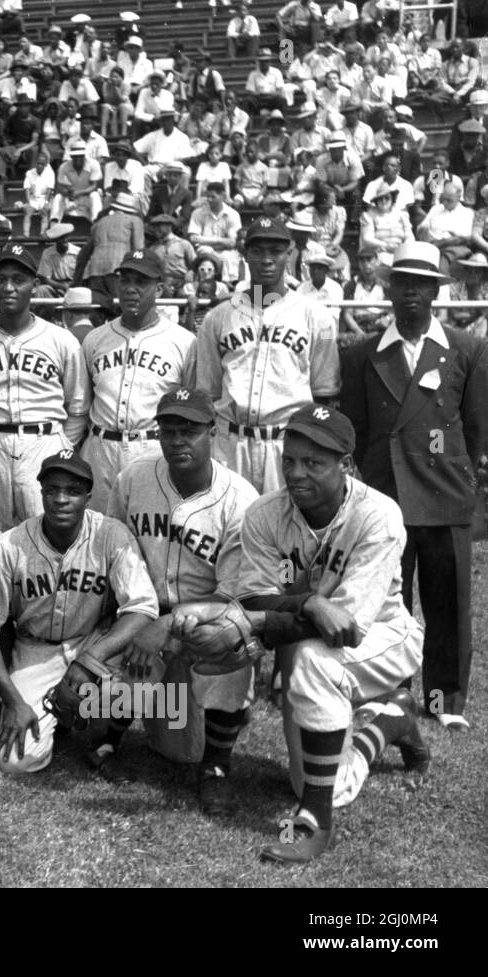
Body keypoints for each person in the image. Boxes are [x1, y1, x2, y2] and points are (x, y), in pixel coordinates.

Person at [214, 404, 427, 863]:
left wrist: (269, 620)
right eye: (289, 460)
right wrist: (307, 601)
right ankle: (392, 722)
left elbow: (345, 628)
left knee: (313, 662)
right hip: (307, 636)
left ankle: (311, 823)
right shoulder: (265, 514)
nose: (296, 472)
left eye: (314, 463)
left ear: (346, 466)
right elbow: (252, 598)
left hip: (384, 637)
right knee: (324, 778)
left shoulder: (378, 515)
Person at [340, 241, 488, 732]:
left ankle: (444, 701)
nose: (410, 294)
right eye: (401, 284)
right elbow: (357, 428)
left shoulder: (465, 349)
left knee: (448, 602)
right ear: (388, 290)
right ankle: (391, 693)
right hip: (387, 498)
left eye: (421, 285)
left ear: (435, 292)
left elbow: (474, 427)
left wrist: (457, 477)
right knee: (387, 602)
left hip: (444, 494)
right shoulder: (362, 354)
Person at [0, 449, 157, 772]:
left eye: (73, 491)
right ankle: (52, 715)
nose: (62, 499)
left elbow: (142, 607)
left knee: (145, 664)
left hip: (92, 641)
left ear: (88, 498)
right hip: (36, 650)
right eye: (53, 490)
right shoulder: (8, 546)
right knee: (15, 761)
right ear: (42, 493)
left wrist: (89, 661)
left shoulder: (111, 534)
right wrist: (13, 701)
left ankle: (103, 733)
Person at [104, 387, 260, 802]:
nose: (177, 441)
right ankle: (105, 741)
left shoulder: (241, 500)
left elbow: (232, 597)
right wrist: (135, 621)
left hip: (204, 621)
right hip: (139, 613)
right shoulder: (134, 478)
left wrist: (171, 631)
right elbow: (111, 550)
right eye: (168, 430)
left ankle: (217, 764)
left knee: (232, 659)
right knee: (95, 707)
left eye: (189, 431)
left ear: (213, 432)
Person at [193, 217, 340, 493]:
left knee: (287, 528)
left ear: (289, 254)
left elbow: (324, 394)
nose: (266, 259)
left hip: (286, 444)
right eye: (258, 251)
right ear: (246, 255)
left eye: (275, 251)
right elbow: (208, 393)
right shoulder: (218, 317)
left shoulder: (317, 317)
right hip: (230, 442)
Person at [0, 244, 89, 530]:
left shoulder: (61, 340)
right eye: (1, 279)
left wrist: (59, 447)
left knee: (45, 532)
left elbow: (78, 408)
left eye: (19, 280)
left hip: (43, 443)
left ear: (35, 285)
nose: (9, 287)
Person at [80, 251, 195, 512]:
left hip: (151, 447)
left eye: (141, 282)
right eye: (126, 280)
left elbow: (191, 412)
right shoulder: (95, 339)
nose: (131, 289)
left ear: (159, 288)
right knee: (95, 530)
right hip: (100, 448)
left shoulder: (183, 341)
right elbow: (82, 404)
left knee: (150, 530)